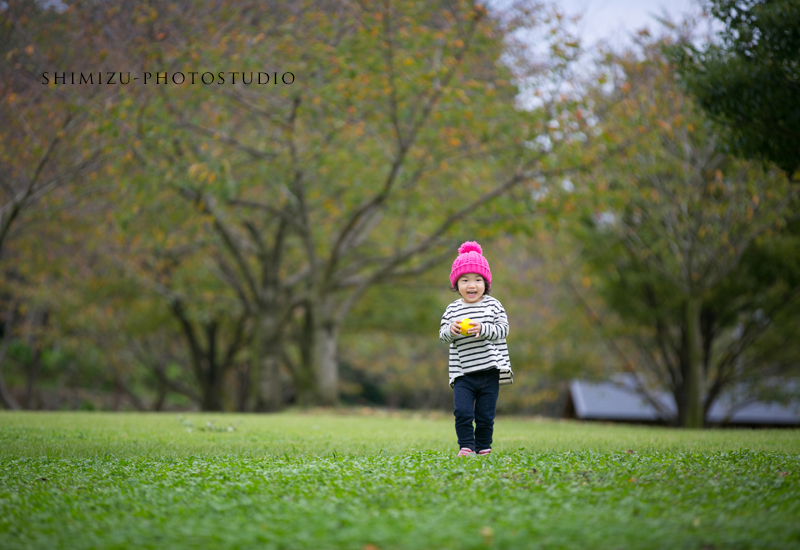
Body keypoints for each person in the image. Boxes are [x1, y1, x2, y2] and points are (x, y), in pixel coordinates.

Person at [439, 241, 513, 457]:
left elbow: (503, 329)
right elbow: (443, 336)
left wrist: (484, 328)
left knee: (485, 414)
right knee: (462, 412)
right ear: (456, 284)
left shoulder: (493, 305)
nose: (472, 285)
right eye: (465, 280)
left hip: (489, 370)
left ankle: (483, 448)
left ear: (486, 283)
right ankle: (466, 447)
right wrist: (451, 330)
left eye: (477, 280)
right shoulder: (453, 309)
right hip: (463, 372)